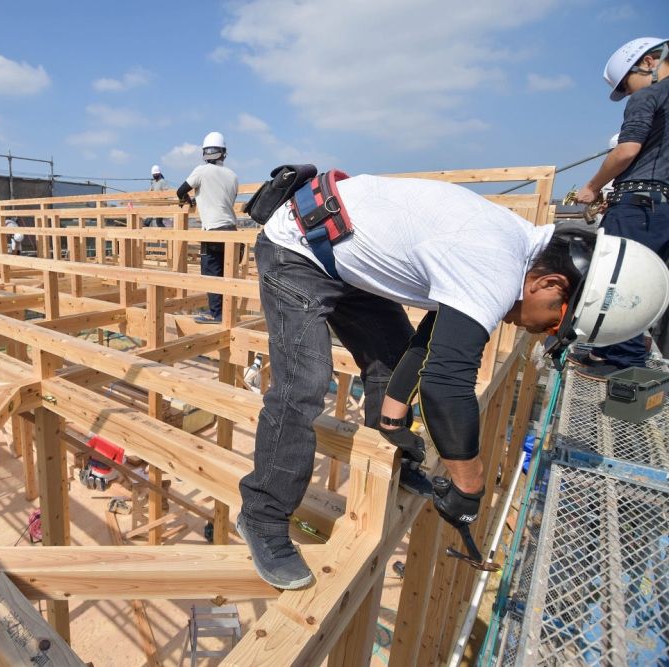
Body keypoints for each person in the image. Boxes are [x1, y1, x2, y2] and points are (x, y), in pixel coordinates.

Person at [237, 171, 669, 590]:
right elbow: (446, 386)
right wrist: (470, 483)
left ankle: (391, 456)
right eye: (557, 324)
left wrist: (393, 420)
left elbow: (430, 339)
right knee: (303, 384)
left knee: (392, 355)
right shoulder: (494, 265)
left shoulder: (514, 249)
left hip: (339, 248)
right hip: (296, 249)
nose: (544, 332)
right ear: (550, 283)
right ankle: (263, 514)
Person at [574, 37, 669, 376]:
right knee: (653, 285)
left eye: (627, 86)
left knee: (618, 279)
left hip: (640, 204)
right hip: (663, 210)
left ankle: (623, 363)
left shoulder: (648, 96)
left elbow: (626, 151)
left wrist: (592, 187)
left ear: (648, 62)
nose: (629, 94)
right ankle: (627, 353)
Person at [177, 132, 240, 323]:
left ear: (205, 153)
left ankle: (217, 315)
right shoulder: (233, 176)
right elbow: (222, 200)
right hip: (231, 231)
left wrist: (187, 201)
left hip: (213, 231)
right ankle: (228, 313)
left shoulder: (201, 171)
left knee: (211, 275)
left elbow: (181, 191)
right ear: (223, 154)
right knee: (227, 275)